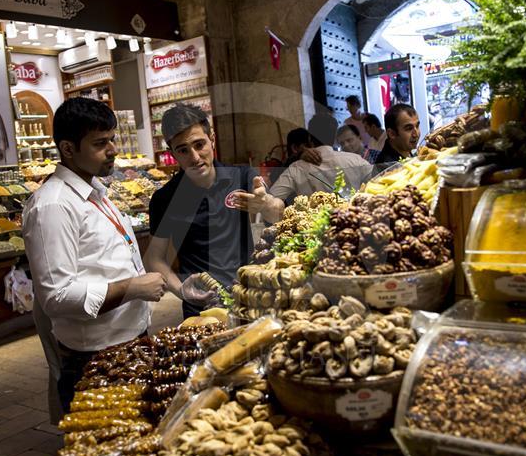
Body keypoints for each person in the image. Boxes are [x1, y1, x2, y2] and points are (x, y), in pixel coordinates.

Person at [23, 98, 166, 410]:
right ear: (68, 149)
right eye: (100, 143)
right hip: (96, 355)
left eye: (112, 139)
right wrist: (132, 288)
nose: (113, 149)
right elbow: (56, 297)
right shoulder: (53, 206)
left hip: (128, 341)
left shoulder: (95, 191)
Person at [145, 105, 257, 318]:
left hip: (248, 297)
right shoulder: (164, 198)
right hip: (202, 308)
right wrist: (182, 291)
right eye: (183, 150)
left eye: (199, 144)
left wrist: (266, 203)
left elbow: (275, 211)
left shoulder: (242, 176)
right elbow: (155, 258)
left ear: (212, 139)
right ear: (172, 154)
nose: (195, 157)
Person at [235, 113, 373, 223]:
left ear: (310, 139)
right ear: (334, 138)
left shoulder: (297, 168)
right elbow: (379, 183)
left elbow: (272, 197)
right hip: (355, 223)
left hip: (314, 231)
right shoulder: (356, 160)